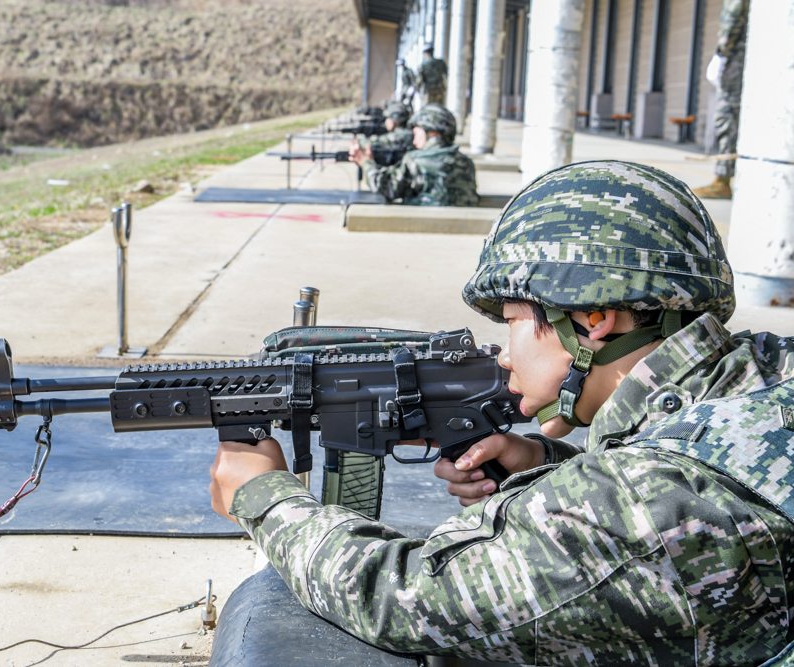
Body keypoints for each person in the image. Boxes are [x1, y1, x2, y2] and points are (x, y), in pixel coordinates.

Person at [209, 161, 794, 664]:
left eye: (513, 320)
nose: (504, 353)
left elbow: (404, 598)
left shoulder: (642, 501)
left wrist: (265, 497)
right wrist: (548, 463)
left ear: (593, 321)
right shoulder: (770, 370)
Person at [349, 104, 477, 207]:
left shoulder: (415, 160)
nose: (414, 141)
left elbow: (384, 187)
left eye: (417, 133)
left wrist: (366, 162)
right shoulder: (467, 163)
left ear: (432, 132)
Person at [694, 0, 749, 200]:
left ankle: (722, 180)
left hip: (737, 61)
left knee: (726, 116)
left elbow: (732, 19)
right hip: (748, 60)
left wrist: (721, 54)